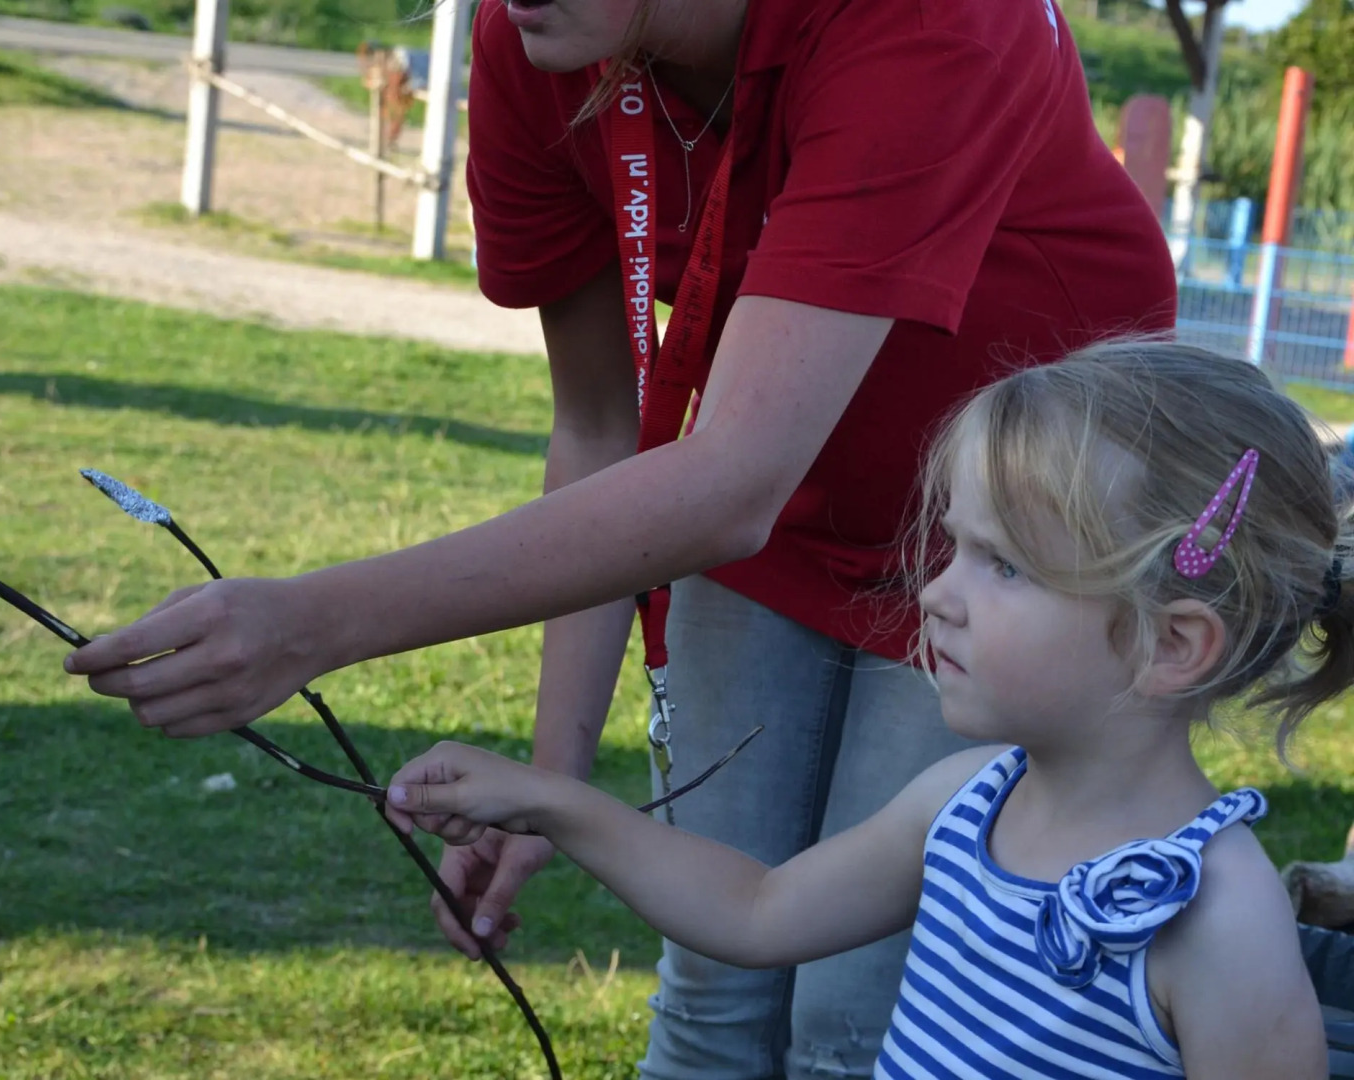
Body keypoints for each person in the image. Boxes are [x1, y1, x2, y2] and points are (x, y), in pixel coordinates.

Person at [63, 0, 1177, 1073]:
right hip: (776, 514)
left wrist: (310, 623)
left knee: (857, 1020)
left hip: (1019, 550)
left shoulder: (928, 18)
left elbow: (728, 477)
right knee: (711, 995)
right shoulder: (535, 38)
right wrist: (551, 785)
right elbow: (604, 430)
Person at [383, 341, 1334, 1079]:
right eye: (955, 547)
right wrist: (550, 801)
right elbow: (757, 912)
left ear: (1173, 645)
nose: (939, 594)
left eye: (1005, 566)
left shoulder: (1217, 919)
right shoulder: (966, 804)